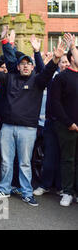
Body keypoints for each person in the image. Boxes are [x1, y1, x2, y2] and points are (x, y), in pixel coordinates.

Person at [0, 36, 67, 206]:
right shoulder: (9, 78)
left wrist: (55, 59)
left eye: (28, 64)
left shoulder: (38, 81)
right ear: (17, 67)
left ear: (32, 67)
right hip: (8, 127)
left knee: (24, 163)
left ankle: (26, 192)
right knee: (6, 162)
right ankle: (4, 189)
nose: (25, 66)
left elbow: (46, 72)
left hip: (28, 130)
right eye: (22, 64)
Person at [33, 54, 70, 196]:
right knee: (49, 156)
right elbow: (43, 70)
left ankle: (61, 187)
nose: (64, 64)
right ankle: (45, 185)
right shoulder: (54, 79)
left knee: (64, 157)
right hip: (51, 123)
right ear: (58, 64)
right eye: (62, 62)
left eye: (67, 62)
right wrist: (37, 53)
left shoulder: (74, 78)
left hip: (67, 125)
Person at [50, 33, 78, 207]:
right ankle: (67, 191)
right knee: (68, 159)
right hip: (67, 126)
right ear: (71, 58)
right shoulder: (61, 77)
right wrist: (69, 123)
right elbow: (55, 103)